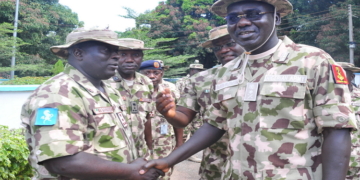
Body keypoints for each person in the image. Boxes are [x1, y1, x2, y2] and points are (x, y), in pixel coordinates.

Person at [141, 0, 357, 179]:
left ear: (276, 18)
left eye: (254, 14)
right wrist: (169, 160)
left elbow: (336, 129)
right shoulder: (227, 73)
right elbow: (215, 125)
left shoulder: (312, 60)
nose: (242, 22)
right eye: (233, 18)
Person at [21, 28, 163, 180]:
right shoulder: (58, 94)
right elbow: (62, 162)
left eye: (116, 50)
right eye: (106, 50)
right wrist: (130, 172)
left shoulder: (108, 89)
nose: (116, 56)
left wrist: (133, 164)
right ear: (78, 53)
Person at [171, 24, 244, 179]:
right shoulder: (200, 80)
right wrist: (168, 113)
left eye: (230, 43)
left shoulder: (267, 73)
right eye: (217, 47)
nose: (223, 50)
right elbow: (183, 118)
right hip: (216, 164)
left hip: (258, 165)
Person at [106, 38, 154, 159]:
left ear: (142, 57)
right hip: (113, 154)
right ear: (115, 56)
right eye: (123, 54)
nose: (129, 60)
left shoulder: (146, 82)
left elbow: (147, 118)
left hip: (140, 152)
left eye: (136, 55)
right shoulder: (104, 81)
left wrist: (150, 148)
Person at [139, 60, 183, 180]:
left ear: (162, 73)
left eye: (156, 72)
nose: (152, 76)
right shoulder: (134, 90)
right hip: (140, 143)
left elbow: (177, 116)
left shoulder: (171, 89)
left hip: (164, 142)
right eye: (147, 72)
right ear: (140, 73)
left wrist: (179, 143)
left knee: (164, 174)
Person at [338, 62, 360, 180]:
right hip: (331, 160)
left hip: (357, 162)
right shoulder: (323, 98)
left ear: (352, 77)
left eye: (341, 74)